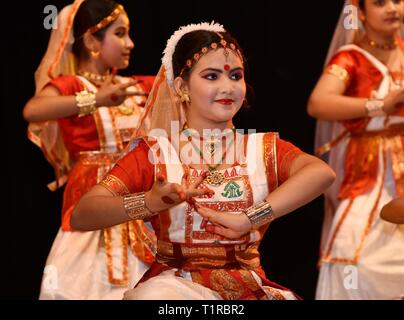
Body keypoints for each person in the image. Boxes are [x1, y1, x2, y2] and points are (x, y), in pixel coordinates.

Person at [71, 22, 335, 300]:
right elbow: (83, 213)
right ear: (182, 86)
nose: (227, 87)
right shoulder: (158, 153)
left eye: (236, 76)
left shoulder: (261, 148)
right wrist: (150, 202)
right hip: (175, 287)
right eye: (211, 77)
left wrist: (249, 218)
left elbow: (321, 173)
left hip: (248, 286)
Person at [23, 0, 156, 299]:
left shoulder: (135, 86)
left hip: (140, 195)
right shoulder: (71, 85)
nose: (130, 43)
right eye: (120, 34)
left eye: (129, 34)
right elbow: (33, 110)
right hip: (91, 194)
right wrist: (95, 100)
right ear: (92, 41)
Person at [307, 0, 404, 299]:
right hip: (368, 165)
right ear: (359, 13)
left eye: (397, 0)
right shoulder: (351, 58)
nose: (392, 8)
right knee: (356, 255)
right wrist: (379, 106)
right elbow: (318, 103)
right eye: (379, 3)